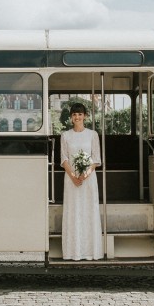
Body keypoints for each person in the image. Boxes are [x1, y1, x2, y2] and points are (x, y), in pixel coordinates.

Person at [60, 102, 103, 260]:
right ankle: (73, 251)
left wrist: (85, 175)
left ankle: (91, 251)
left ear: (85, 116)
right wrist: (73, 176)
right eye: (74, 114)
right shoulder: (65, 136)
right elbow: (64, 158)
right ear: (71, 117)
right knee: (74, 211)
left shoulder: (92, 135)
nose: (77, 117)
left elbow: (96, 159)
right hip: (71, 180)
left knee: (88, 211)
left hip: (88, 179)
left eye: (80, 114)